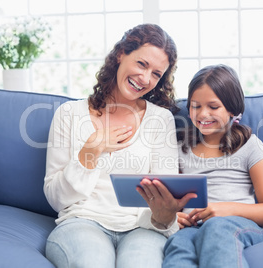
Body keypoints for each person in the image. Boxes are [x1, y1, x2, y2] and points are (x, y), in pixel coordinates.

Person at [44, 24, 195, 268]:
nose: (145, 79)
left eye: (156, 74)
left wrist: (166, 213)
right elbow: (57, 199)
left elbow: (162, 204)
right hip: (82, 222)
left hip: (144, 227)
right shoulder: (69, 114)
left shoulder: (160, 119)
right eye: (142, 64)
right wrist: (89, 151)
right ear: (121, 54)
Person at [163, 64, 263, 268]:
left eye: (213, 106)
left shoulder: (250, 146)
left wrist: (226, 209)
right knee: (178, 242)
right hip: (194, 227)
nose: (202, 114)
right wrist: (176, 215)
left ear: (232, 109)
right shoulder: (180, 147)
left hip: (236, 224)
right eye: (195, 106)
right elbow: (173, 197)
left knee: (216, 228)